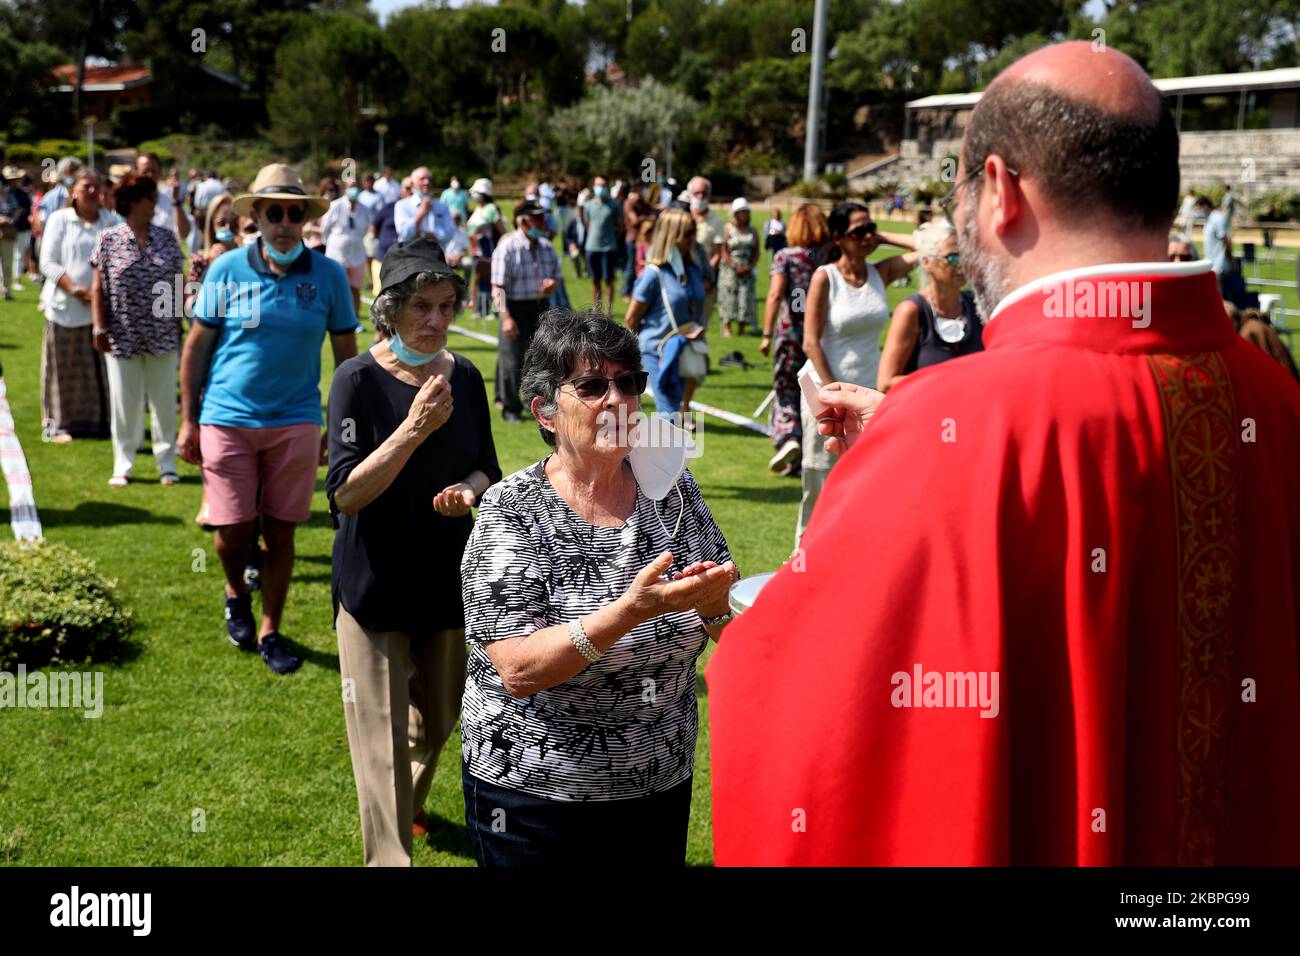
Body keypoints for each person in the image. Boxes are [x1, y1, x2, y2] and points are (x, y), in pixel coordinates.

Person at [708, 40, 1300, 866]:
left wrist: (736, 630)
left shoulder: (945, 427)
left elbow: (815, 711)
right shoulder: (1276, 402)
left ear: (1000, 191)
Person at [459, 308, 737, 866]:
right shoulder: (512, 510)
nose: (617, 401)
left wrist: (715, 609)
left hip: (658, 779)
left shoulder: (670, 489)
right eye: (590, 386)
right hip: (535, 792)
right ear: (544, 411)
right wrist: (626, 613)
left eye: (628, 382)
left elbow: (727, 618)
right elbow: (518, 669)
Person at [327, 238, 501, 866]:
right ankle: (388, 858)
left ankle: (409, 805)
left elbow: (488, 466)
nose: (435, 321)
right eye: (421, 307)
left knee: (438, 720)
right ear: (391, 311)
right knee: (378, 743)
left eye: (447, 306)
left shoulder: (468, 376)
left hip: (449, 579)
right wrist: (414, 428)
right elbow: (346, 493)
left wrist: (469, 491)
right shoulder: (356, 379)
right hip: (373, 587)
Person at [179, 163, 358, 675]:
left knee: (282, 532)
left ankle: (270, 628)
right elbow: (197, 346)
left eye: (293, 212)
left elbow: (346, 358)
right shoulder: (226, 268)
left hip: (296, 419)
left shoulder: (328, 276)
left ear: (304, 217)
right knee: (231, 531)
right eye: (273, 211)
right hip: (226, 416)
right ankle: (236, 590)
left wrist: (337, 426)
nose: (284, 221)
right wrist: (188, 420)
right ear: (255, 214)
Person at [797, 202, 916, 542]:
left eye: (871, 228)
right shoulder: (826, 277)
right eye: (858, 232)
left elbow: (928, 247)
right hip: (825, 392)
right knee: (820, 482)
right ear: (838, 237)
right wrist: (836, 394)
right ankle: (802, 561)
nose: (867, 237)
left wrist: (881, 236)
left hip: (870, 396)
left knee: (869, 481)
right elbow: (811, 343)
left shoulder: (881, 272)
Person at [88, 174, 185, 487]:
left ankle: (166, 463)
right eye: (147, 197)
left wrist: (183, 318)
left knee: (164, 401)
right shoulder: (109, 239)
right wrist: (99, 325)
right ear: (130, 201)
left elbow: (179, 283)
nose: (153, 203)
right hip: (122, 332)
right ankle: (123, 462)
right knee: (125, 402)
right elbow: (98, 288)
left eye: (154, 197)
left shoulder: (167, 238)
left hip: (163, 331)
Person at [37, 169, 120, 443]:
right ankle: (58, 425)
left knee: (98, 371)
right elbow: (47, 262)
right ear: (74, 190)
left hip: (100, 309)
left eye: (97, 187)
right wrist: (74, 289)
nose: (93, 192)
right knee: (63, 370)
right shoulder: (61, 220)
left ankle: (99, 423)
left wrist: (99, 293)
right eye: (87, 186)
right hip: (64, 307)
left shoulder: (110, 221)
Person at [760, 203, 830, 475]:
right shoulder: (828, 258)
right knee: (812, 393)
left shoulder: (785, 257)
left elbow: (776, 295)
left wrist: (766, 333)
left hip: (789, 333)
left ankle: (788, 437)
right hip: (821, 336)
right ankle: (805, 455)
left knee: (786, 389)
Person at [877, 218, 983, 393]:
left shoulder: (975, 305)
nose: (961, 264)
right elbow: (886, 384)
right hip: (923, 416)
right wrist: (950, 377)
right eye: (952, 257)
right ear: (926, 262)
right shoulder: (912, 310)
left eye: (966, 255)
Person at [624, 208, 706, 420]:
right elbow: (632, 318)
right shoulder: (653, 274)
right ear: (672, 234)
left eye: (693, 232)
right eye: (687, 233)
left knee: (673, 414)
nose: (692, 238)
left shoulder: (693, 270)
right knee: (669, 413)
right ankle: (667, 452)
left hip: (683, 349)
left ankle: (665, 452)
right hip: (656, 351)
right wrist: (629, 360)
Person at [491, 200, 561, 423]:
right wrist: (506, 317)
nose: (542, 222)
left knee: (539, 359)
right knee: (512, 360)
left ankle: (533, 402)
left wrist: (553, 284)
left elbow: (556, 276)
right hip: (514, 306)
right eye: (536, 218)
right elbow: (498, 287)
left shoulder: (546, 247)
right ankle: (510, 407)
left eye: (542, 217)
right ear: (523, 221)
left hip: (540, 307)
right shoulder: (508, 246)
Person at [320, 178, 372, 318]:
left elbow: (366, 228)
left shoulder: (364, 209)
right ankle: (335, 316)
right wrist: (329, 243)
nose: (353, 189)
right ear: (345, 189)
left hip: (356, 253)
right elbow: (325, 228)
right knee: (337, 286)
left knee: (355, 288)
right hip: (337, 253)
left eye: (355, 186)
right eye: (350, 186)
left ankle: (354, 318)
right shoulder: (335, 206)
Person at [686, 176, 725, 334]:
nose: (700, 197)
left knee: (701, 324)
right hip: (683, 277)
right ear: (690, 194)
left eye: (704, 193)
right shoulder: (682, 216)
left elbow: (718, 251)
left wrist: (707, 276)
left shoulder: (716, 220)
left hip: (705, 279)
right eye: (696, 193)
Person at [716, 197, 758, 337]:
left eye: (745, 212)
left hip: (747, 267)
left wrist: (750, 266)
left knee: (744, 297)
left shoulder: (752, 230)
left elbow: (756, 251)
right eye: (741, 212)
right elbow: (723, 250)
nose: (743, 215)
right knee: (728, 296)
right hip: (730, 268)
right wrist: (734, 265)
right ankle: (727, 327)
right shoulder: (727, 228)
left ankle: (741, 328)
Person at [580, 175, 623, 313]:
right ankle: (597, 311)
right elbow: (587, 224)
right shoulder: (588, 205)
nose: (600, 188)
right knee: (595, 280)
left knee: (609, 280)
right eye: (598, 185)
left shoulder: (614, 205)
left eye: (603, 185)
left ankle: (608, 312)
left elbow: (620, 226)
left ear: (607, 186)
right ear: (594, 186)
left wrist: (611, 237)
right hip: (592, 247)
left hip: (608, 248)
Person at [466, 179, 504, 322]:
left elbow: (501, 230)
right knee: (478, 280)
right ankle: (480, 310)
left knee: (495, 279)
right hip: (477, 250)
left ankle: (498, 310)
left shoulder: (491, 209)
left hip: (489, 249)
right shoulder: (478, 209)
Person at [135, 152, 191, 244]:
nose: (150, 175)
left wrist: (176, 201)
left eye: (153, 171)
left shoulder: (171, 201)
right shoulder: (128, 202)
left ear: (160, 172)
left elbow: (184, 234)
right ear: (136, 173)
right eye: (145, 171)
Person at [395, 167, 454, 245]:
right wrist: (422, 211)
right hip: (410, 255)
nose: (427, 182)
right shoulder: (402, 205)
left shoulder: (442, 207)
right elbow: (404, 232)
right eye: (422, 179)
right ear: (412, 183)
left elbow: (449, 234)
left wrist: (433, 235)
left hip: (435, 255)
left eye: (429, 179)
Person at [2, 166, 32, 296]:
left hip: (20, 228)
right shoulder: (4, 192)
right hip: (5, 230)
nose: (13, 181)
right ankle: (4, 284)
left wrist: (16, 214)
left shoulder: (23, 193)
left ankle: (16, 280)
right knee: (5, 259)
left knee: (17, 255)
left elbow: (26, 208)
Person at [622, 185, 654, 300]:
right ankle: (626, 292)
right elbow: (634, 220)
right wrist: (646, 218)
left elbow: (653, 214)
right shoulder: (629, 203)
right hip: (632, 238)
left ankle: (638, 291)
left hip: (644, 240)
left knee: (643, 266)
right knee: (631, 266)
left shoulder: (644, 204)